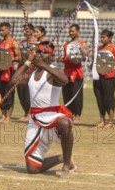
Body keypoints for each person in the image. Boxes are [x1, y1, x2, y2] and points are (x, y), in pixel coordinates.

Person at [11, 41, 76, 177]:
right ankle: (62, 158)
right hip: (34, 121)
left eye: (45, 52)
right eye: (39, 51)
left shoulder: (53, 72)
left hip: (51, 117)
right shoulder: (31, 75)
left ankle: (66, 166)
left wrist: (44, 65)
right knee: (32, 169)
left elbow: (65, 80)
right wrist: (27, 62)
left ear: (52, 57)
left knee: (65, 123)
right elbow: (14, 82)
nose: (40, 54)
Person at [94, 30, 115, 128]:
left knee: (109, 99)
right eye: (101, 37)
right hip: (98, 77)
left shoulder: (114, 48)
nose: (102, 39)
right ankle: (102, 120)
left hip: (109, 77)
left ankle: (110, 121)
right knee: (99, 99)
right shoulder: (99, 48)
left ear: (109, 38)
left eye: (104, 37)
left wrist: (109, 62)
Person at [61, 24, 89, 123]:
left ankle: (77, 115)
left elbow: (85, 56)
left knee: (77, 95)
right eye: (70, 31)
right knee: (67, 94)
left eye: (73, 31)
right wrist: (60, 59)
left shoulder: (82, 44)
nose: (71, 33)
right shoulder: (66, 44)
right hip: (67, 72)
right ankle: (69, 114)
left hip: (77, 72)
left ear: (77, 31)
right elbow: (65, 57)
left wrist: (82, 55)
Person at [0, 22, 20, 123]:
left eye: (3, 30)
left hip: (10, 71)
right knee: (0, 93)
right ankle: (3, 115)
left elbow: (19, 57)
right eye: (0, 30)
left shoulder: (14, 42)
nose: (1, 32)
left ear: (8, 30)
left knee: (9, 93)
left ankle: (8, 117)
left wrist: (9, 59)